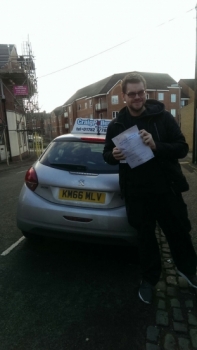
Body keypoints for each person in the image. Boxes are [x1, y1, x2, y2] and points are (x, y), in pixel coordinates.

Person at [103, 72, 197, 304]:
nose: (137, 97)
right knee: (145, 240)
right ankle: (149, 279)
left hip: (167, 190)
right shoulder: (116, 125)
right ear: (123, 96)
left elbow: (182, 148)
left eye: (140, 92)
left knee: (179, 234)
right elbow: (107, 154)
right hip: (137, 194)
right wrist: (112, 155)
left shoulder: (162, 118)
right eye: (132, 94)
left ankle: (190, 272)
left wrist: (157, 145)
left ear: (146, 92)